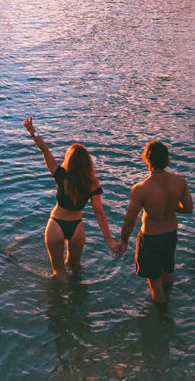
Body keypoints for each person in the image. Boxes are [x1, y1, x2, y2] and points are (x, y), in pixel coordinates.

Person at [24, 117, 119, 279]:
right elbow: (99, 213)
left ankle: (61, 300)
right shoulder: (92, 183)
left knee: (58, 271)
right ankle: (77, 299)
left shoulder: (60, 174)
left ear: (69, 160)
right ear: (87, 162)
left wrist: (33, 132)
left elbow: (45, 151)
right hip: (76, 228)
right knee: (76, 267)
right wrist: (110, 241)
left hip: (56, 224)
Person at [115, 141, 193, 304]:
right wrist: (170, 206)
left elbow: (130, 219)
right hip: (170, 234)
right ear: (166, 159)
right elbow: (188, 208)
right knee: (167, 272)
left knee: (154, 281)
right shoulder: (180, 181)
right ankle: (170, 297)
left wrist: (123, 240)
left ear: (147, 160)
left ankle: (162, 316)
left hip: (151, 238)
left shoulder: (141, 188)